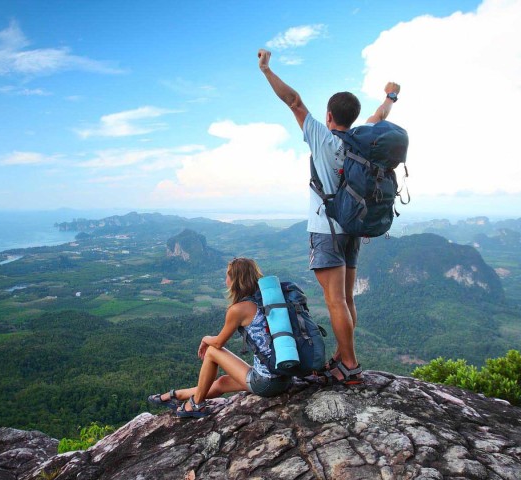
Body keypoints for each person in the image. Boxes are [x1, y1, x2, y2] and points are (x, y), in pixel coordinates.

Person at [257, 48, 400, 386]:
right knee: (347, 299)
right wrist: (391, 96)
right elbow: (379, 116)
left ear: (329, 114)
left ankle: (349, 365)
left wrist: (266, 70)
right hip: (353, 228)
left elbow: (293, 100)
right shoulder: (360, 141)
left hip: (327, 231)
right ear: (353, 116)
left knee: (334, 300)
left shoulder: (322, 137)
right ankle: (342, 354)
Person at [148, 257, 292, 417]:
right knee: (222, 382)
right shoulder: (269, 300)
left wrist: (205, 338)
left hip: (267, 382)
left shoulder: (239, 309)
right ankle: (176, 395)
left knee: (211, 351)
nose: (226, 280)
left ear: (235, 280)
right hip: (285, 377)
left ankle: (195, 405)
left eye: (227, 276)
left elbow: (218, 343)